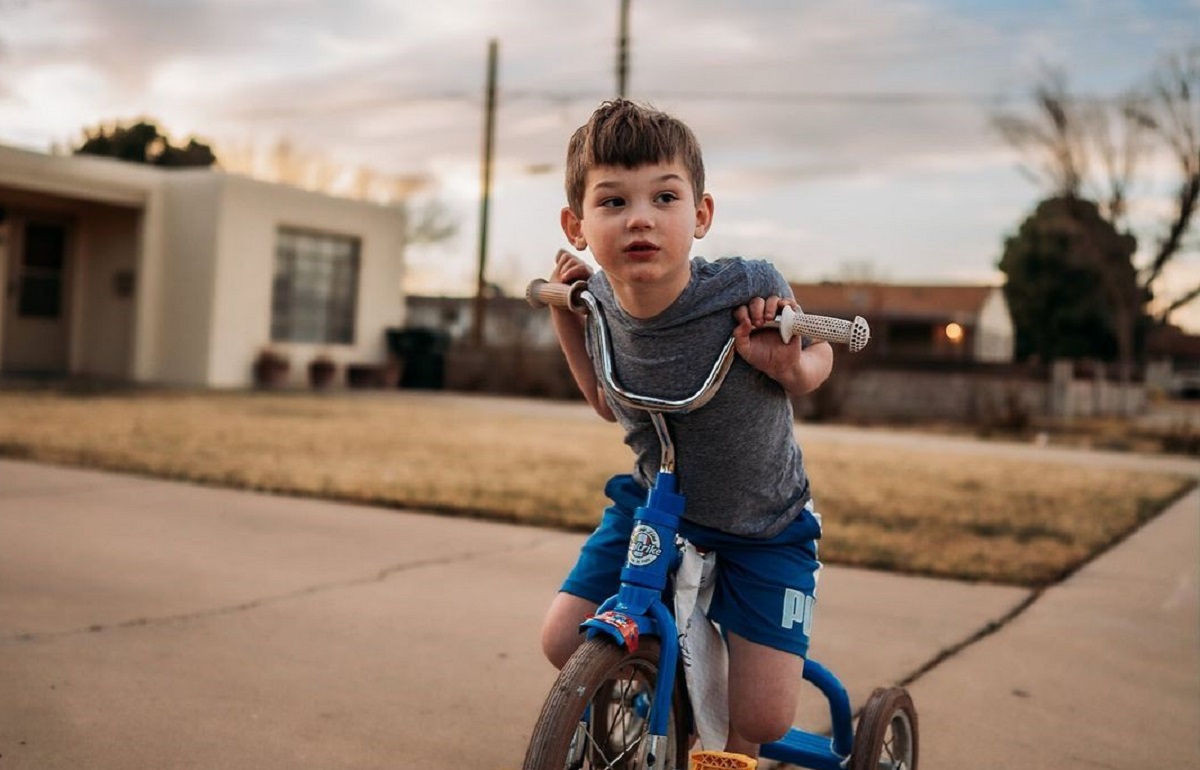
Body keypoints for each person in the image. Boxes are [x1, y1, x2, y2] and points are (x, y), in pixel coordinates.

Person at [539, 99, 834, 756]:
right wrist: (568, 315)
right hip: (658, 511)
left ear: (699, 215)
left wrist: (790, 364)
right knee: (563, 639)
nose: (640, 217)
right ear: (577, 224)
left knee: (757, 720)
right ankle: (653, 683)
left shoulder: (746, 287)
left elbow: (819, 358)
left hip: (762, 525)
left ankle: (706, 708)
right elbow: (602, 400)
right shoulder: (602, 302)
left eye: (664, 197)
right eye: (613, 202)